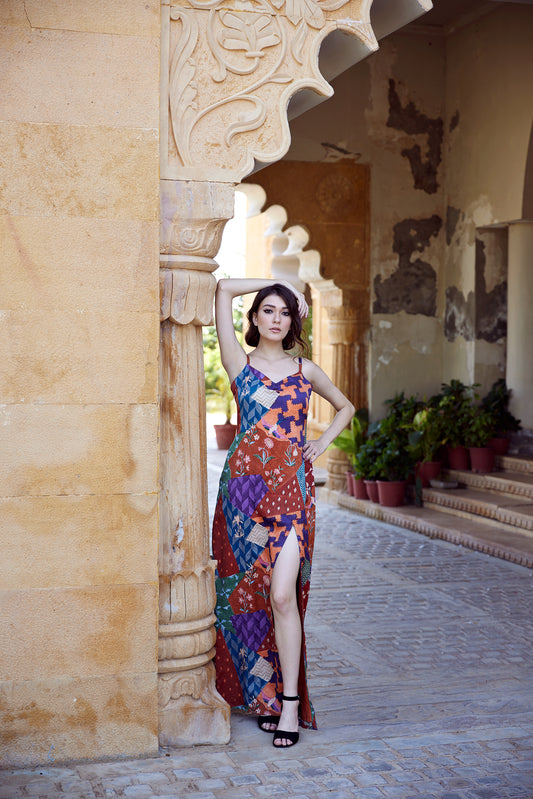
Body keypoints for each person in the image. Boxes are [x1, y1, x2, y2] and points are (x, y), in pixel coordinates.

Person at [212, 278, 354, 748]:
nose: (276, 318)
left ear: (294, 321)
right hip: (242, 499)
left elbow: (346, 407)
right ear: (254, 318)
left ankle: (290, 702)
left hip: (292, 495)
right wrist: (286, 283)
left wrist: (321, 443)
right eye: (268, 310)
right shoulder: (239, 363)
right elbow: (222, 289)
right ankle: (266, 700)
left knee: (281, 595)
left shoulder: (304, 370)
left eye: (285, 311)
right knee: (248, 598)